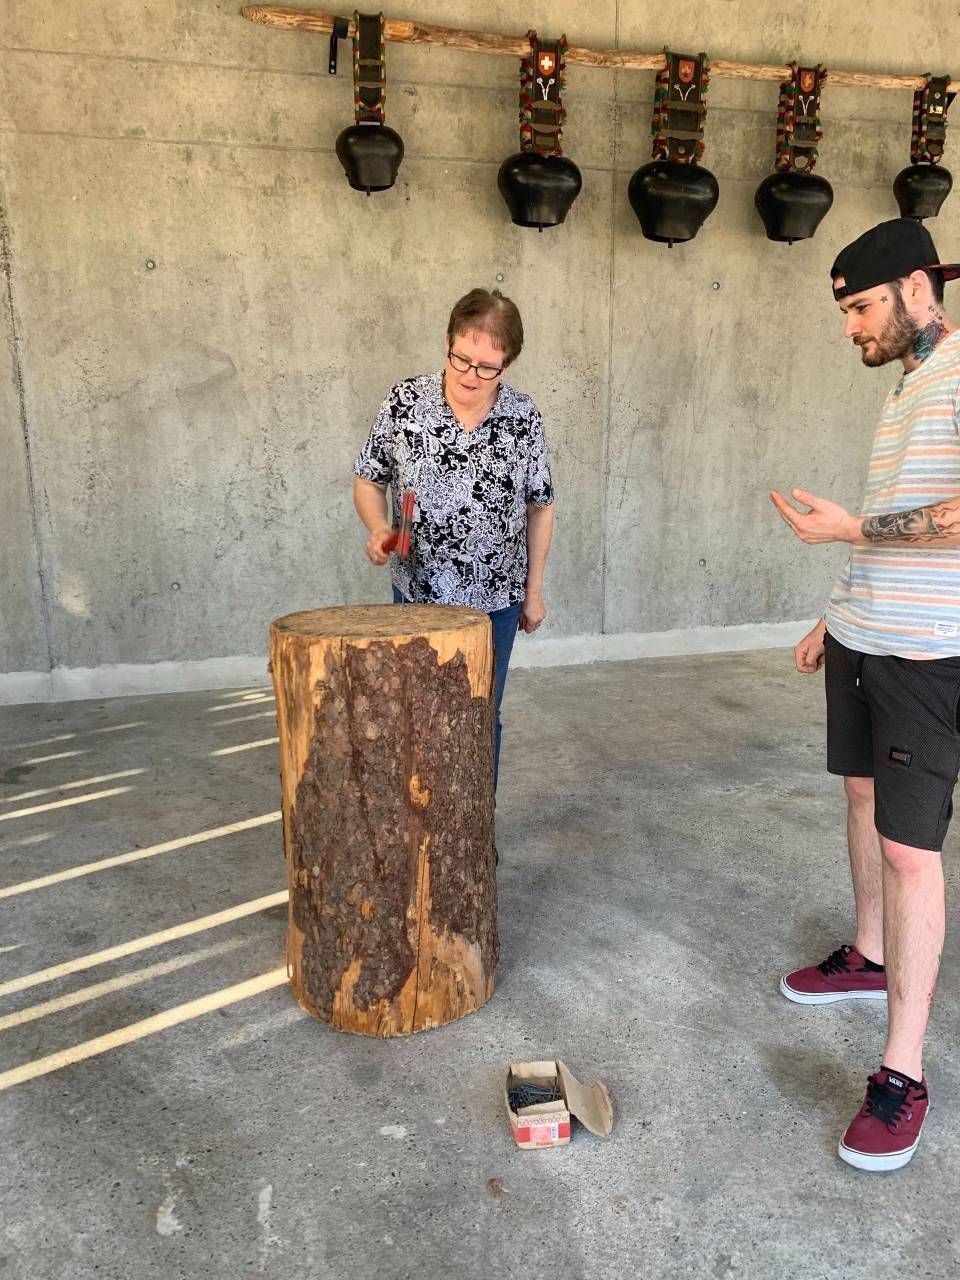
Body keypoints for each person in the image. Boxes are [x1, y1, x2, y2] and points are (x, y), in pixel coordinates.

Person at [770, 218, 960, 1172]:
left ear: (917, 288)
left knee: (908, 849)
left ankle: (902, 1073)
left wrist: (855, 526)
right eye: (844, 310)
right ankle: (867, 956)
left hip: (931, 655)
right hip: (865, 636)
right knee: (856, 797)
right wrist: (833, 614)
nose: (850, 327)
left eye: (859, 307)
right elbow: (884, 533)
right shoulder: (907, 388)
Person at [352, 287, 555, 793]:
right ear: (448, 341)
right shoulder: (405, 403)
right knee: (418, 715)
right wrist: (379, 529)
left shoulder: (523, 417)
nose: (470, 375)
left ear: (506, 365)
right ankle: (423, 830)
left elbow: (540, 506)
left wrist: (533, 592)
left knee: (482, 714)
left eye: (488, 366)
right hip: (418, 596)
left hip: (496, 603)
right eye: (462, 358)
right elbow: (368, 480)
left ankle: (473, 835)